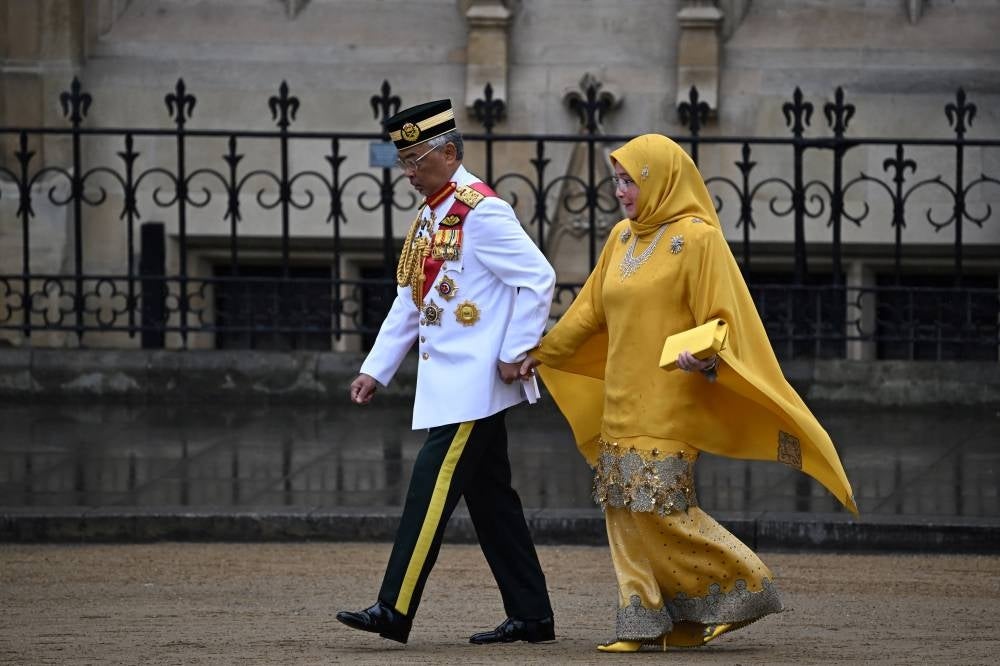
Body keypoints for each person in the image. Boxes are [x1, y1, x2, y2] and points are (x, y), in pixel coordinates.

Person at [520, 134, 857, 652]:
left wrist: (703, 352)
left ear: (662, 179)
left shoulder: (698, 239)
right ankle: (651, 622)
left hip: (670, 397)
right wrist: (539, 353)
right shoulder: (620, 239)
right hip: (620, 399)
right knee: (623, 509)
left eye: (631, 179)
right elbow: (588, 312)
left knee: (662, 507)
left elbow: (721, 318)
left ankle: (747, 583)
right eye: (616, 180)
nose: (620, 190)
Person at [336, 99, 556, 646]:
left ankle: (394, 607)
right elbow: (412, 299)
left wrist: (517, 349)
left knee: (427, 495)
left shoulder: (482, 211)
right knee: (492, 503)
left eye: (417, 161)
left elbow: (539, 277)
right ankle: (532, 616)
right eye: (403, 162)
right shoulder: (432, 213)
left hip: (473, 386)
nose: (408, 174)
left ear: (449, 152)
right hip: (455, 384)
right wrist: (376, 368)